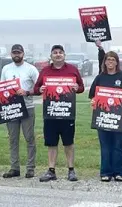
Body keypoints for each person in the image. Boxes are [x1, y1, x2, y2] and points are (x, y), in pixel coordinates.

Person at [34, 45, 85, 182]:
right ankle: (51, 171)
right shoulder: (45, 71)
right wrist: (41, 89)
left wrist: (77, 88)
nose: (57, 55)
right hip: (50, 112)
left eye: (60, 53)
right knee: (51, 142)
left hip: (67, 112)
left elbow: (81, 87)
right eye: (55, 53)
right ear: (51, 55)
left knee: (68, 142)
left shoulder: (72, 70)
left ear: (64, 55)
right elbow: (36, 88)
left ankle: (71, 170)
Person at [89, 51, 122, 182]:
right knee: (105, 145)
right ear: (104, 62)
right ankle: (105, 172)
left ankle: (119, 172)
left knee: (118, 144)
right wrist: (93, 101)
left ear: (116, 62)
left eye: (113, 60)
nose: (110, 62)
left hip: (120, 118)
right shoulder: (100, 77)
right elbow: (93, 95)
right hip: (103, 117)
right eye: (108, 60)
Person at [0, 43, 40, 179]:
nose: (16, 55)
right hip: (11, 108)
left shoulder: (31, 69)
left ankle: (30, 168)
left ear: (23, 54)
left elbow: (40, 88)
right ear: (11, 54)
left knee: (29, 138)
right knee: (13, 139)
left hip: (27, 107)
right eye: (14, 53)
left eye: (19, 53)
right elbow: (2, 88)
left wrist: (27, 92)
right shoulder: (6, 68)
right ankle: (14, 167)